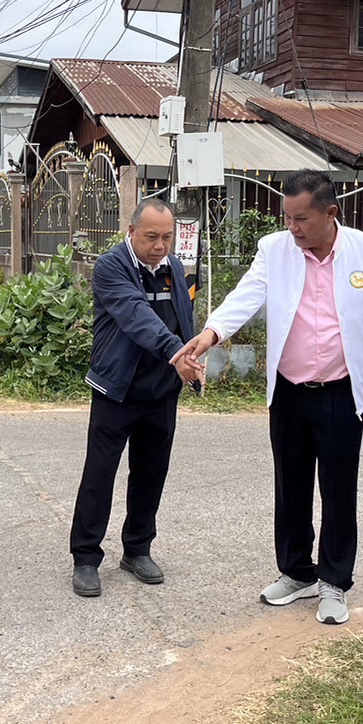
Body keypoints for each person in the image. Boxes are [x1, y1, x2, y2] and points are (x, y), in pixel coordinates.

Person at [177, 170, 363, 625]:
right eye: (287, 218)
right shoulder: (275, 249)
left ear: (331, 213)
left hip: (341, 390)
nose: (292, 227)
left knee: (338, 490)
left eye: (301, 219)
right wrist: (211, 333)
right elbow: (246, 296)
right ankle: (297, 571)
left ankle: (334, 581)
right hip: (288, 390)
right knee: (291, 485)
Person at [69, 198, 205, 598]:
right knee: (99, 476)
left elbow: (183, 318)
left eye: (167, 237)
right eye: (151, 237)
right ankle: (85, 558)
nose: (160, 246)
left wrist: (190, 360)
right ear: (131, 232)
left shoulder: (173, 267)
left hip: (161, 390)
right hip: (117, 389)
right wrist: (177, 353)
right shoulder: (111, 267)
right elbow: (135, 316)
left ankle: (138, 549)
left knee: (151, 473)